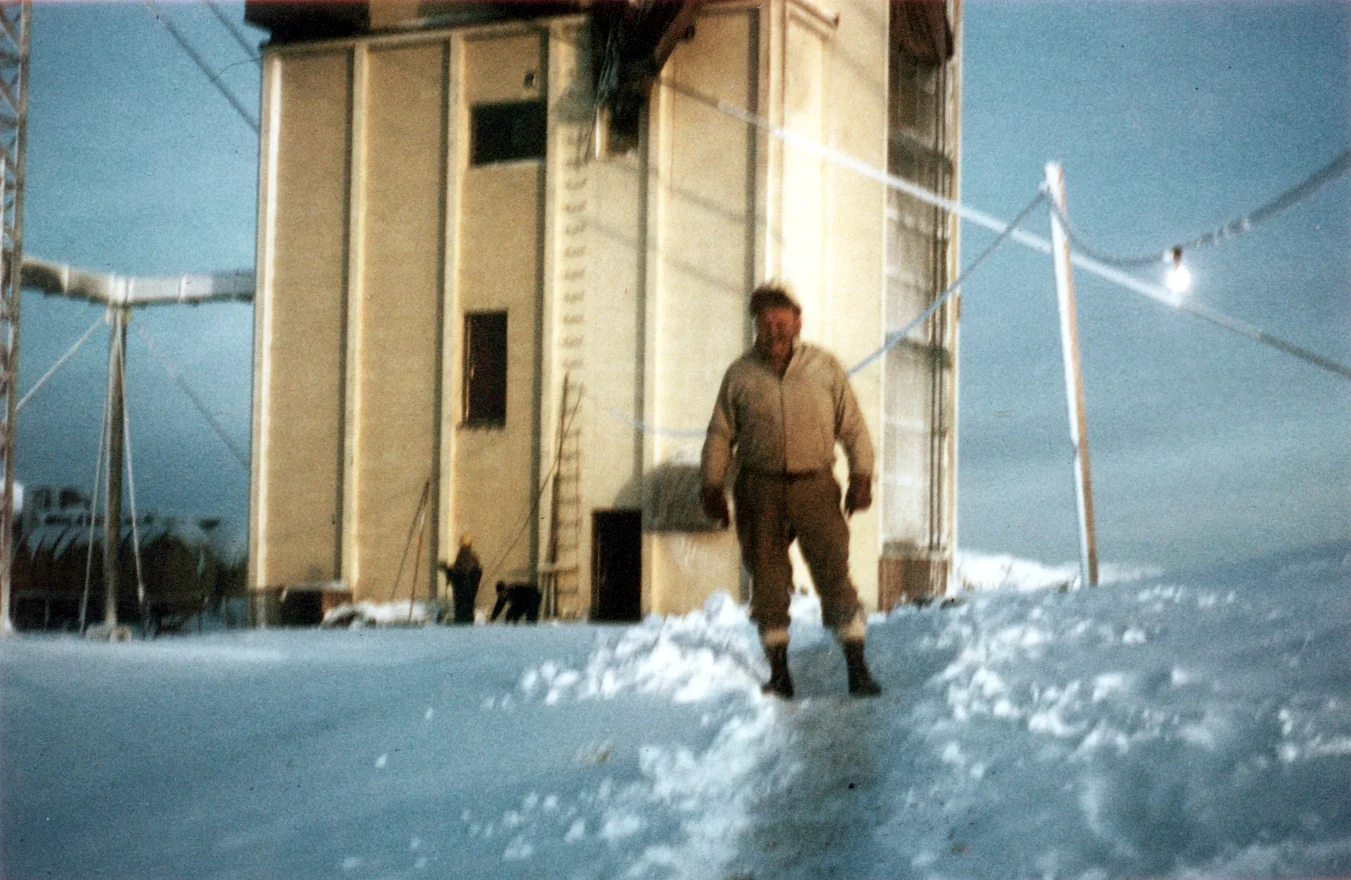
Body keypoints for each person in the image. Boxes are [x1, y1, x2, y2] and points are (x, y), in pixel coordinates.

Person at [700, 282, 882, 698]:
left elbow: (853, 426)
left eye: (782, 324)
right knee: (767, 583)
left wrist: (862, 476)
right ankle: (779, 675)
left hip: (815, 488)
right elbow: (719, 435)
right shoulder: (740, 375)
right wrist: (711, 486)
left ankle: (858, 669)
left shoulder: (824, 368)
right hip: (759, 491)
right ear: (755, 327)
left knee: (835, 577)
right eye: (766, 325)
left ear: (798, 324)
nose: (775, 333)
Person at [441, 534, 482, 625]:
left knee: (461, 612)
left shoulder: (462, 556)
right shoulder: (474, 558)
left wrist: (447, 569)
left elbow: (458, 574)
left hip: (461, 598)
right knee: (468, 609)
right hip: (470, 599)